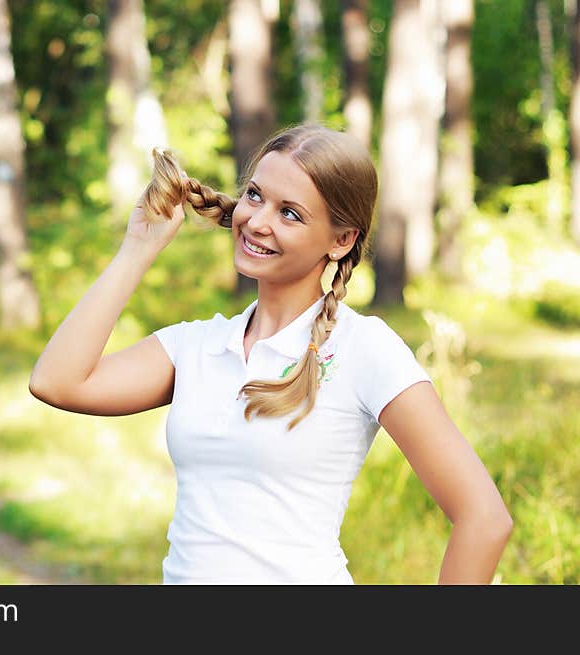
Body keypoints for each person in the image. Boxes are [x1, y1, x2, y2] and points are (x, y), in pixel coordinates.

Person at [28, 124, 513, 584]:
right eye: (255, 195)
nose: (257, 221)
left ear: (341, 240)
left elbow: (483, 518)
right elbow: (58, 382)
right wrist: (138, 247)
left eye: (290, 212)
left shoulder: (364, 348)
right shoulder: (197, 346)